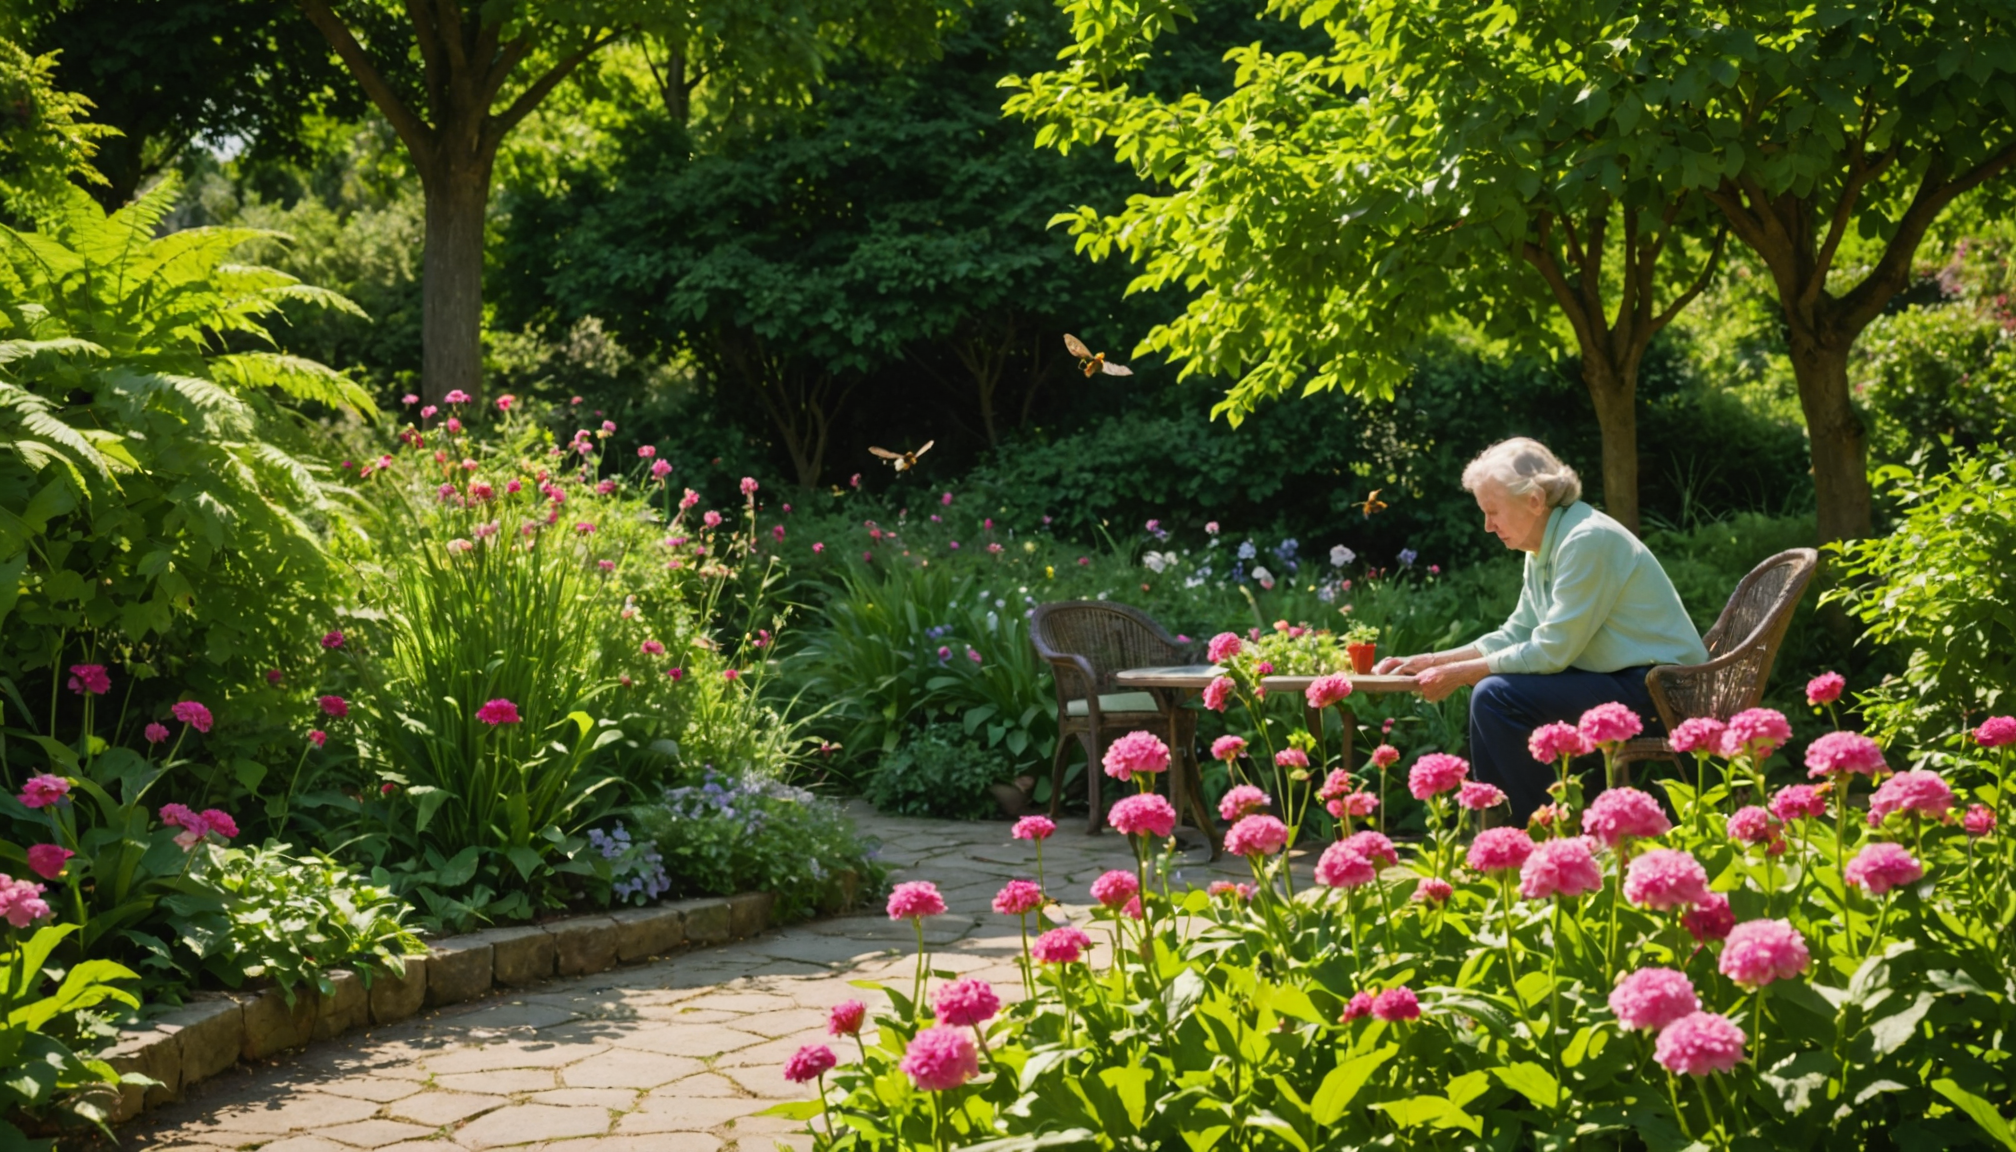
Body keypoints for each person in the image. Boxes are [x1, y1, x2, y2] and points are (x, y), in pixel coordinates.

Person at [1373, 438, 1708, 820]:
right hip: (1627, 679)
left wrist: (1462, 673)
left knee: (1495, 695)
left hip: (1663, 689)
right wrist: (1431, 661)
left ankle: (1539, 835)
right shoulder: (1546, 545)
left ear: (1534, 500)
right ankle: (1508, 834)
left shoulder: (1586, 540)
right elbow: (1517, 632)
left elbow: (1551, 650)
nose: (1486, 526)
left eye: (1493, 511)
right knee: (1491, 693)